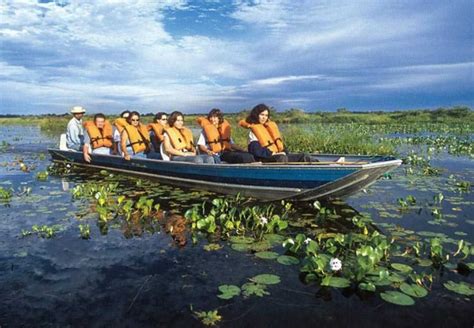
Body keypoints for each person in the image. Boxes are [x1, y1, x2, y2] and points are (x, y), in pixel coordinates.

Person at [239, 104, 311, 163]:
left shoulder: (268, 128)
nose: (264, 117)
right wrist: (273, 154)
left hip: (278, 155)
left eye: (266, 115)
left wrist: (283, 151)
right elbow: (255, 150)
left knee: (303, 156)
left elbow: (279, 145)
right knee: (282, 158)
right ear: (256, 115)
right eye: (262, 115)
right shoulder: (254, 131)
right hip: (264, 158)